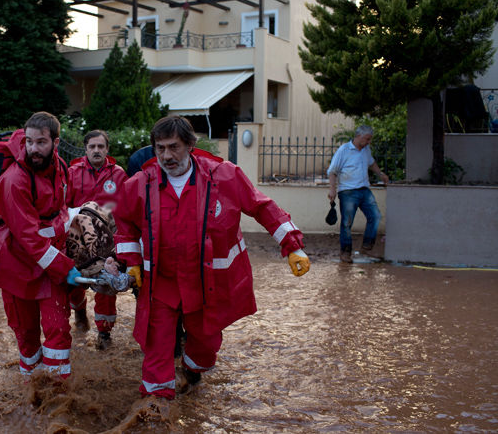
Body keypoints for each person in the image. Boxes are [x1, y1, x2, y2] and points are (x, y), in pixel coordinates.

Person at [112, 115, 310, 400]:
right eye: (160, 149)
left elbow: (261, 206)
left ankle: (192, 372)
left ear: (190, 145)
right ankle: (156, 410)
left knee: (204, 347)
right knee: (157, 348)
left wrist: (292, 246)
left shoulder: (225, 176)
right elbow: (124, 223)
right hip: (162, 285)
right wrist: (131, 262)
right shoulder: (140, 184)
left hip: (205, 284)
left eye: (173, 147)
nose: (166, 156)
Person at [0, 111, 81, 379]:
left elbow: (61, 213)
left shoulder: (62, 168)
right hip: (15, 264)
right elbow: (29, 237)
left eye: (41, 142)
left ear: (55, 143)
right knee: (27, 336)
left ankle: (58, 396)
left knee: (58, 329)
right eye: (29, 141)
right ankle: (30, 391)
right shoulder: (14, 181)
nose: (33, 148)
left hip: (49, 262)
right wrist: (65, 268)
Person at [66, 130, 127, 350]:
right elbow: (63, 208)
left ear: (107, 149)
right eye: (92, 146)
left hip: (107, 243)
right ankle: (79, 313)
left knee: (106, 288)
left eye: (101, 147)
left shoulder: (119, 175)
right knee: (72, 283)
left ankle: (104, 334)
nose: (96, 150)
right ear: (85, 149)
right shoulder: (72, 173)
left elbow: (125, 210)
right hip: (78, 242)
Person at [327, 124, 389, 263]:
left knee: (375, 216)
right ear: (358, 136)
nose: (369, 142)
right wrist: (332, 189)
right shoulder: (344, 150)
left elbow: (371, 163)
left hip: (364, 190)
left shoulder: (366, 150)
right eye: (367, 139)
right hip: (348, 191)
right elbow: (332, 171)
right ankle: (345, 252)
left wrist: (381, 174)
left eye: (369, 139)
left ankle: (366, 248)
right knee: (347, 223)